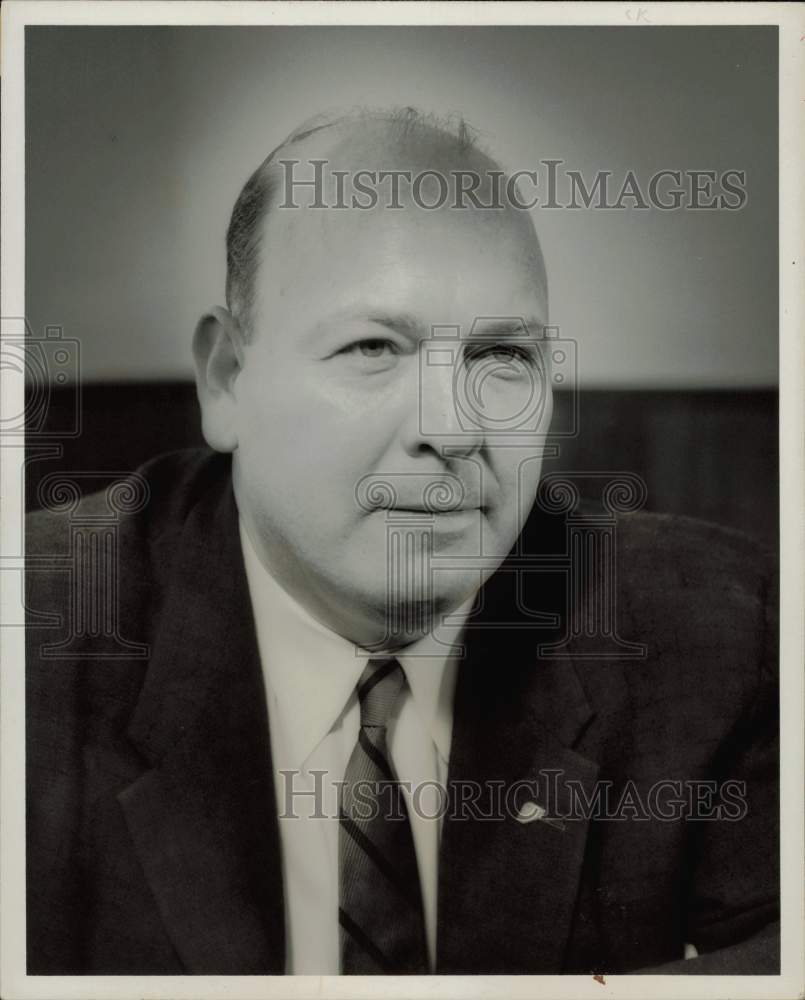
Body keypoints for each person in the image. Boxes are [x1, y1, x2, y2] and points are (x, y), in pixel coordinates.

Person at [25, 108, 779, 975]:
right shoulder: (39, 646)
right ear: (227, 379)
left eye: (502, 355)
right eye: (374, 347)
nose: (454, 430)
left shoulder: (715, 634)